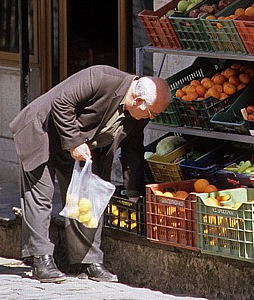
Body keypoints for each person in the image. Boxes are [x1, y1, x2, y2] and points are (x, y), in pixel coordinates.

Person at [9, 65, 171, 283]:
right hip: (42, 131)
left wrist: (133, 190)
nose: (150, 117)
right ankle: (41, 259)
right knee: (40, 197)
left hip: (78, 146)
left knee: (86, 200)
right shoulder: (100, 77)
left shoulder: (139, 115)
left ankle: (89, 262)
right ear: (138, 99)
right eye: (152, 113)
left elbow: (133, 150)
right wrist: (74, 143)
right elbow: (61, 103)